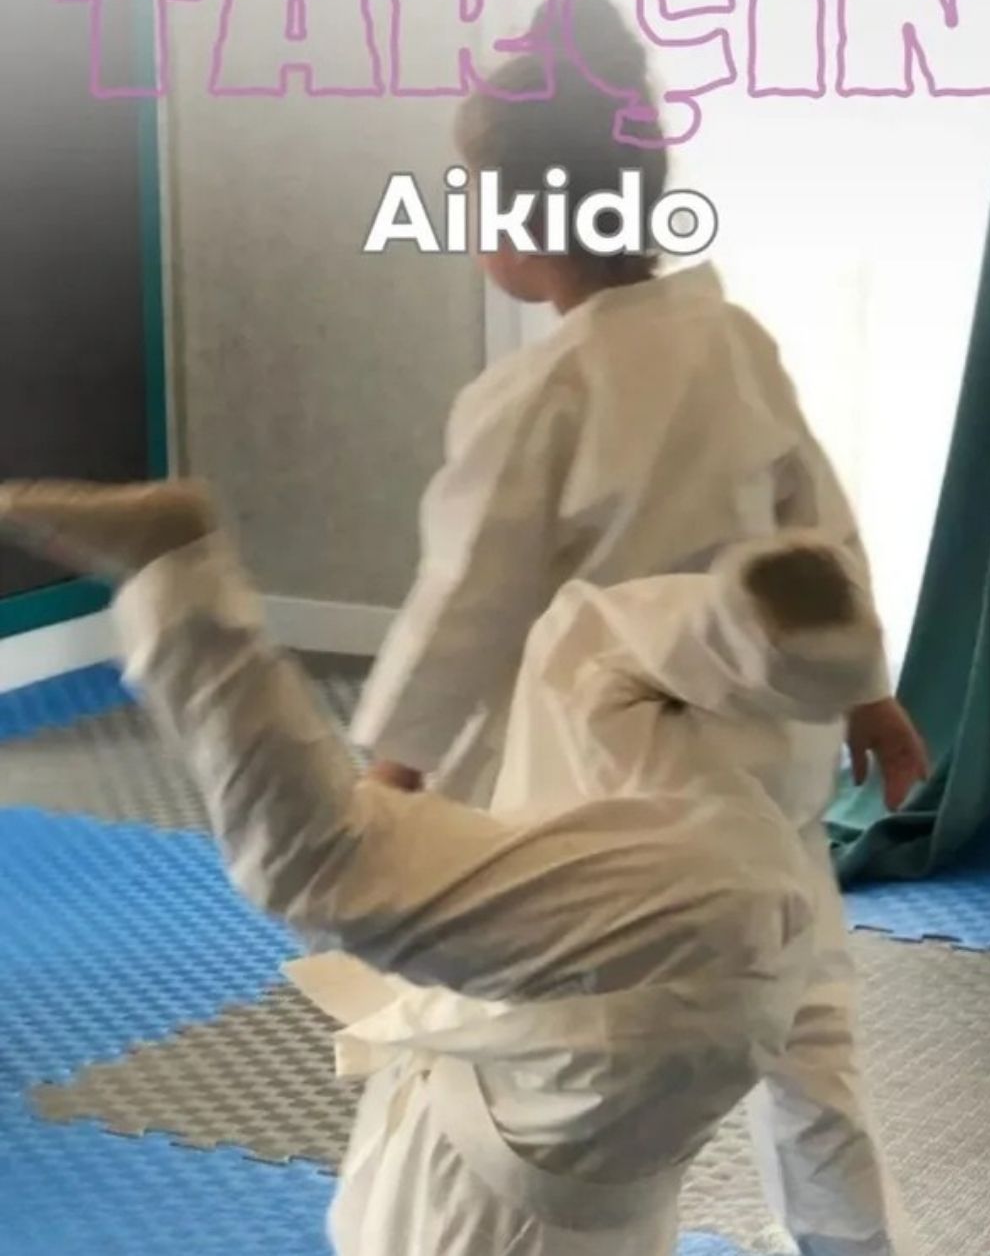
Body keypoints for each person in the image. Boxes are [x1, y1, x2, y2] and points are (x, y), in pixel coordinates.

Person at [351, 0, 926, 1253]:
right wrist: (869, 692)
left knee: (552, 1055)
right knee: (813, 1049)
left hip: (619, 805)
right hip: (770, 792)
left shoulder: (538, 394)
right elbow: (822, 537)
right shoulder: (736, 343)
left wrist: (389, 775)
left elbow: (464, 605)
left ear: (525, 219)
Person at [2, 478, 889, 1256]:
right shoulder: (681, 797)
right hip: (630, 994)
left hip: (610, 1043)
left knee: (333, 870)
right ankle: (176, 574)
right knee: (333, 870)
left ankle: (178, 574)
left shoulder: (699, 840)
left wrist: (836, 673)